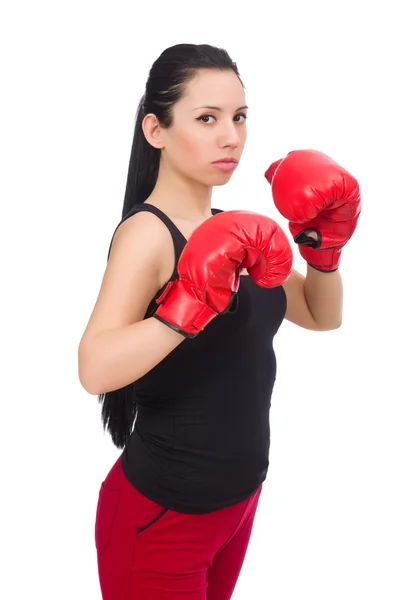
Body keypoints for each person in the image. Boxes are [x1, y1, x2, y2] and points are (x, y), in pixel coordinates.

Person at [78, 43, 361, 600]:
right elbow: (94, 369)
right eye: (206, 118)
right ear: (155, 130)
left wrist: (322, 250)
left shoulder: (236, 232)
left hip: (236, 504)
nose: (230, 136)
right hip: (161, 518)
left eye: (239, 117)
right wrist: (187, 306)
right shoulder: (149, 234)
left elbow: (321, 315)